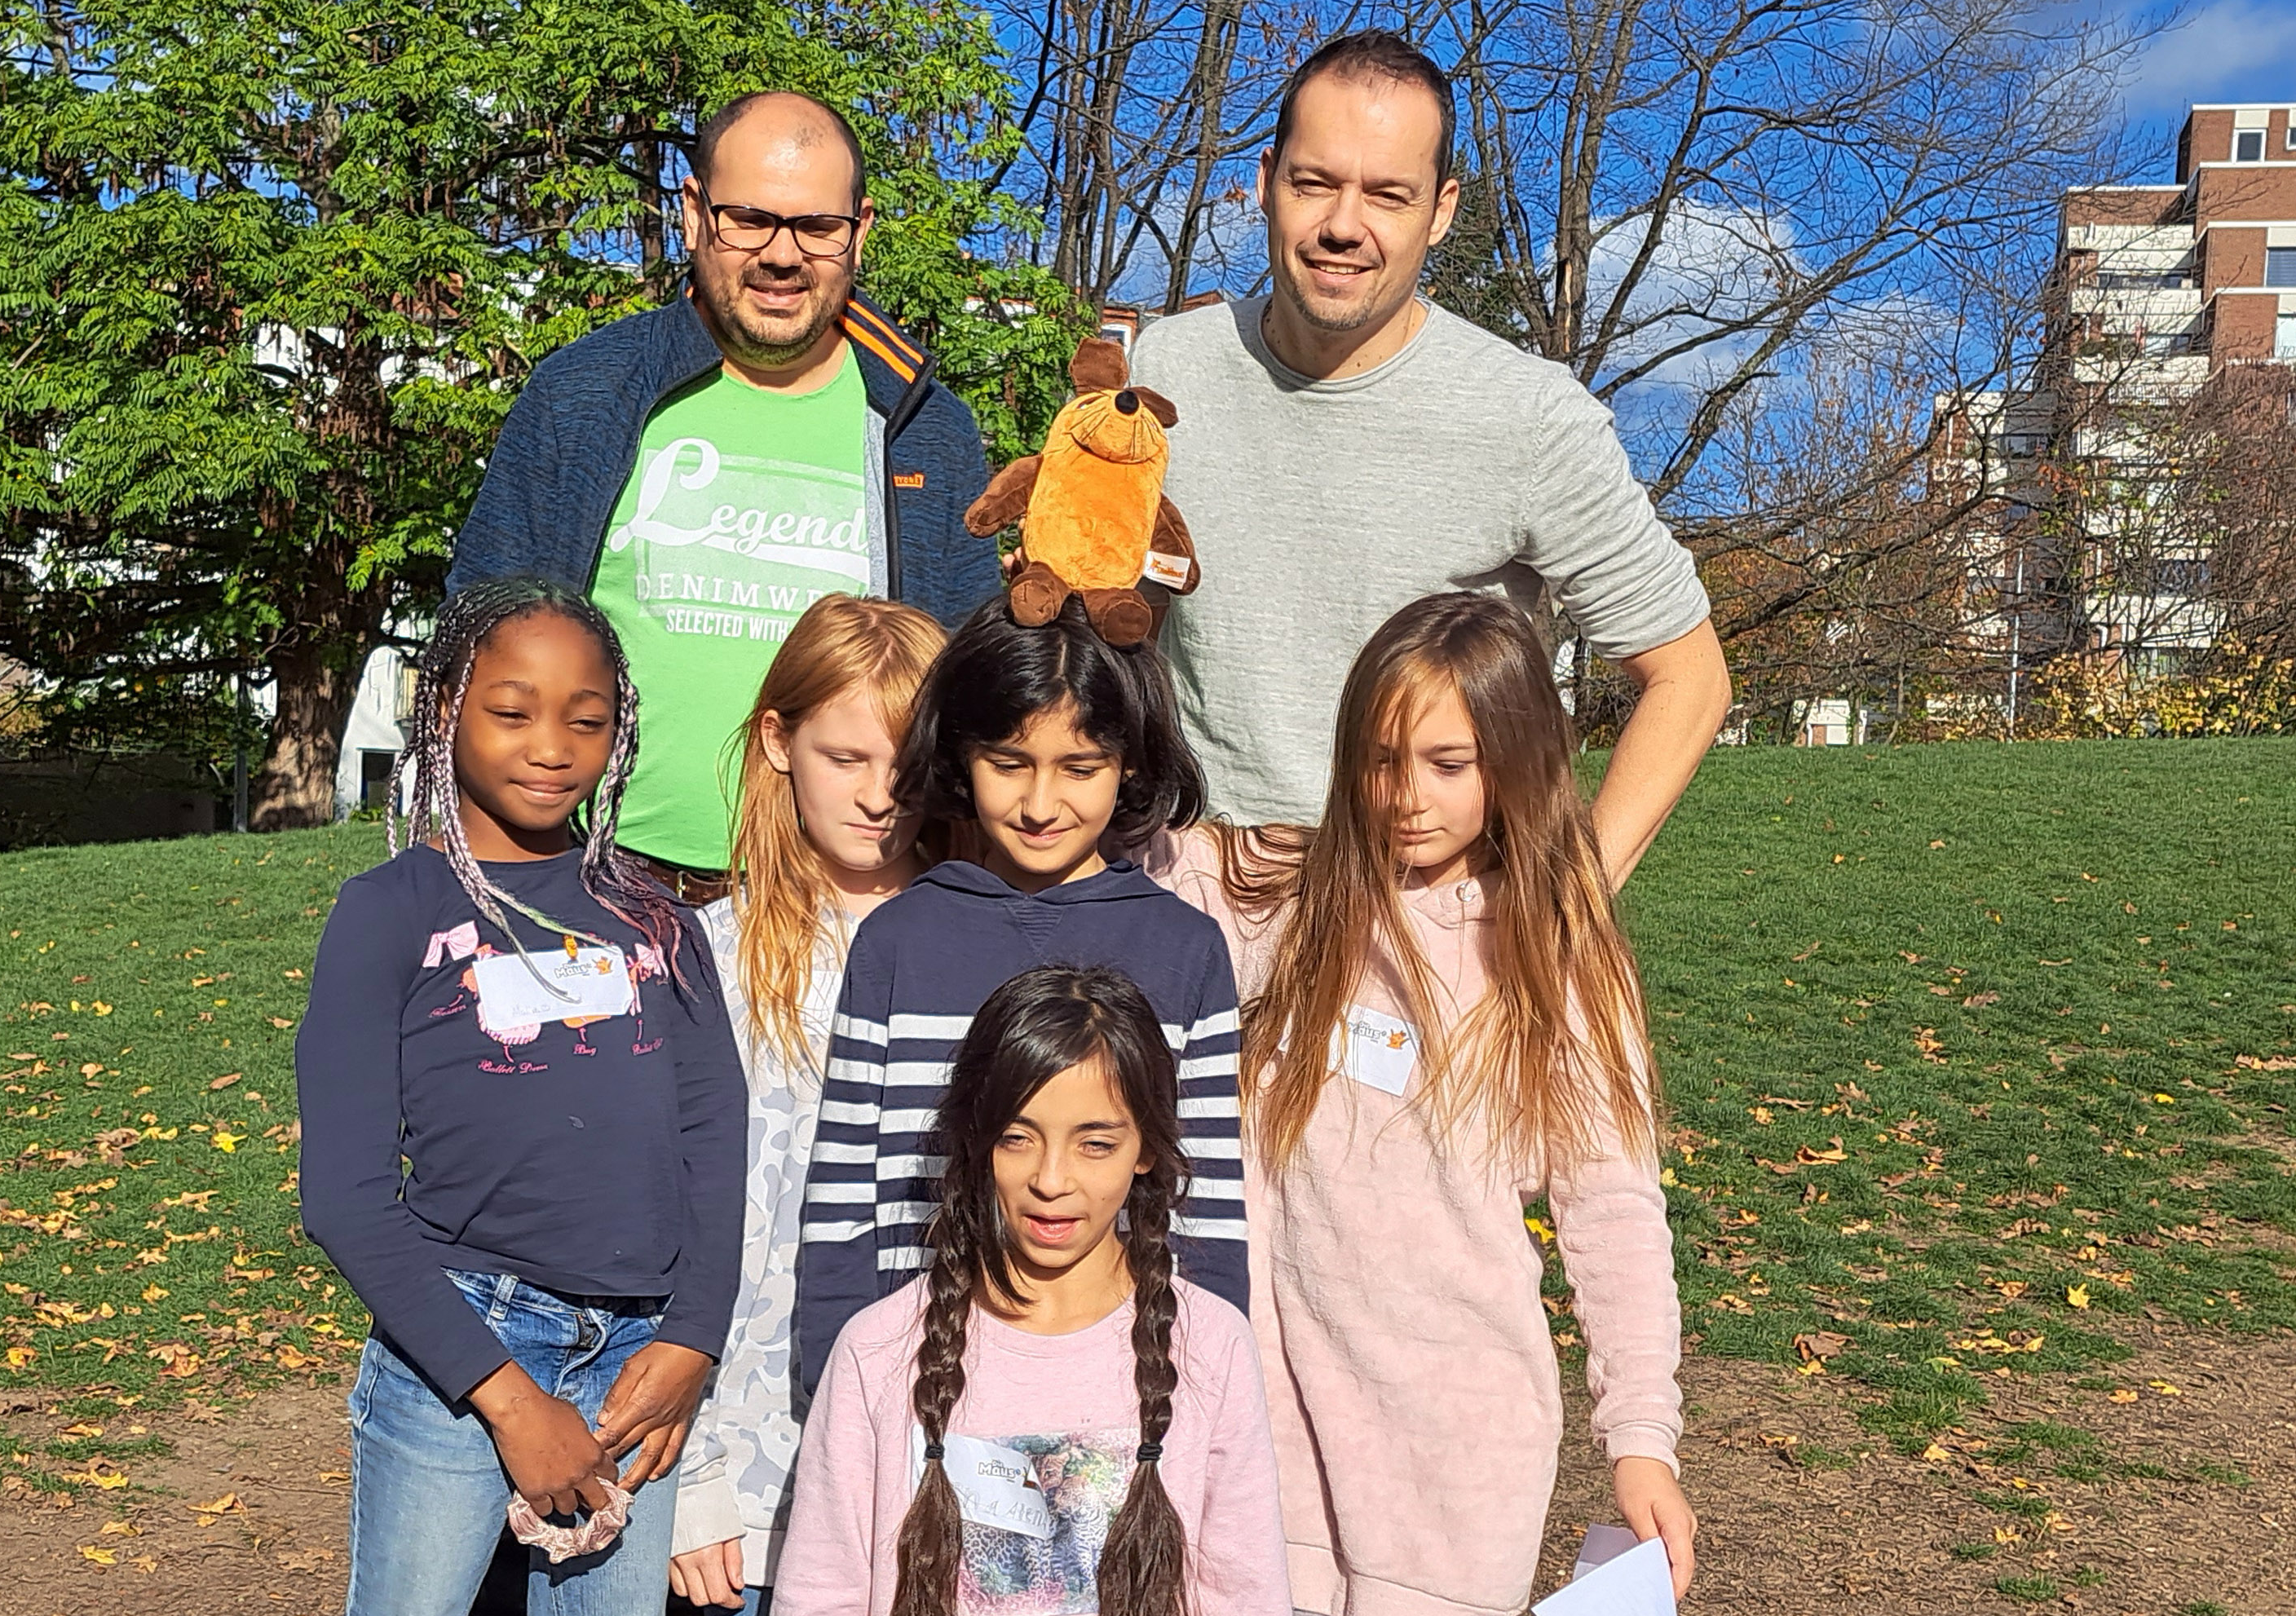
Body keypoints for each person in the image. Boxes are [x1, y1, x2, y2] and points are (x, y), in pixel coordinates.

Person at [1153, 592, 1690, 1616]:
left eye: (1450, 763)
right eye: (1385, 759)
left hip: (1454, 1451)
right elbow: (1116, 826)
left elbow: (1613, 1215)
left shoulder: (1551, 958)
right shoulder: (1288, 921)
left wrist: (1640, 1437)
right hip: (1280, 1428)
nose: (1409, 794)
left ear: (1515, 762)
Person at [294, 577, 746, 1616]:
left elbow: (714, 1138)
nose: (553, 747)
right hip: (461, 1358)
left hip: (638, 1366)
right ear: (444, 706)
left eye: (586, 719)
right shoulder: (387, 915)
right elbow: (343, 1196)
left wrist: (691, 1337)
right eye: (512, 710)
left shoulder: (654, 920)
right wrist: (508, 1399)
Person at [1128, 31, 1733, 885]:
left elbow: (1690, 680)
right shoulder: (1164, 371)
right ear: (1265, 183)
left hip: (1417, 921)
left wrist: (1566, 909)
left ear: (1441, 210)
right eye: (1315, 183)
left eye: (1388, 195)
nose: (1345, 225)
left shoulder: (1530, 415)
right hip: (1195, 896)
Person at [447, 89, 1005, 890]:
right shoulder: (586, 394)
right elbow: (477, 643)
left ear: (861, 231)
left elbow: (968, 684)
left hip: (837, 899)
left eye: (817, 227)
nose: (782, 255)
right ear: (693, 213)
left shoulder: (927, 428)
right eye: (749, 219)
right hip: (598, 883)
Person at [770, 965, 1295, 1616]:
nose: (1053, 1180)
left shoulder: (1210, 1348)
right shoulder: (877, 1353)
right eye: (1018, 1136)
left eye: (1096, 1141)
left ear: (1148, 1147)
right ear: (977, 1140)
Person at [791, 603, 1248, 1386]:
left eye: (1079, 768)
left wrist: (1207, 1380)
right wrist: (834, 1372)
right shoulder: (898, 942)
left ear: (1131, 763)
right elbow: (842, 1185)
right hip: (916, 1377)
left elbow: (1204, 1195)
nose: (1040, 805)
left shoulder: (1188, 950)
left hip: (1117, 1382)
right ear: (961, 756)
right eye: (1008, 764)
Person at [668, 594, 950, 1616]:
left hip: (968, 1474)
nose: (881, 791)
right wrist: (693, 1480)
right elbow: (671, 1234)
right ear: (778, 742)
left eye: (908, 759)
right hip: (762, 1478)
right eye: (846, 755)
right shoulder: (706, 959)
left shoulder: (995, 948)